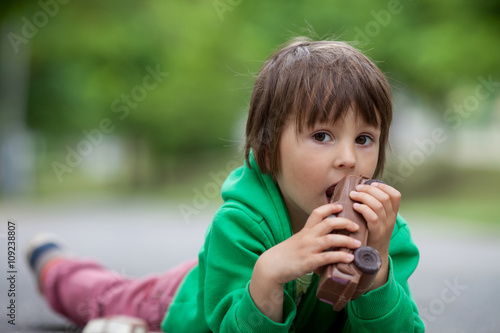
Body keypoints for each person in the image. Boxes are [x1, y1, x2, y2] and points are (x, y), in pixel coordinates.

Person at [26, 37, 425, 332]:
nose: (348, 158)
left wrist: (377, 268)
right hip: (185, 300)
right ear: (269, 152)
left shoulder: (385, 235)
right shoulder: (240, 225)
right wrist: (267, 276)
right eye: (322, 135)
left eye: (364, 138)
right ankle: (50, 262)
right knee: (101, 297)